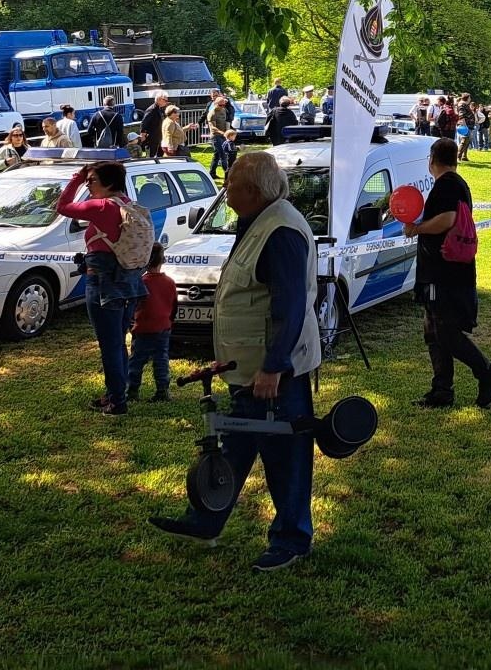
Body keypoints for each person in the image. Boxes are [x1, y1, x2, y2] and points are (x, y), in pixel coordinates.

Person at [149, 152, 323, 571]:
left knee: (285, 456)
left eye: (231, 187)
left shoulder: (281, 231)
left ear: (254, 191)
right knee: (236, 444)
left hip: (274, 372)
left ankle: (292, 540)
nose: (225, 193)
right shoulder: (259, 220)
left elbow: (290, 306)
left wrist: (274, 366)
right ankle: (206, 520)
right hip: (247, 367)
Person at [404, 138, 491, 408]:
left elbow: (447, 219)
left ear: (431, 160)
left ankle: (487, 372)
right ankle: (442, 390)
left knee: (444, 331)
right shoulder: (458, 184)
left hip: (443, 272)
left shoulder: (446, 185)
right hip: (445, 271)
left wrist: (417, 229)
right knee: (433, 330)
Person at [56, 161, 151, 415]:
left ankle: (117, 401)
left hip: (102, 284)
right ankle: (117, 392)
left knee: (109, 344)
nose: (88, 185)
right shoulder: (127, 204)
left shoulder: (101, 207)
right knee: (118, 341)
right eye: (87, 180)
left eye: (92, 180)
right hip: (129, 282)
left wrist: (76, 179)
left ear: (108, 183)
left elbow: (62, 206)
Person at [127, 243, 176, 402]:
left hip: (143, 328)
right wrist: (169, 321)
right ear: (163, 260)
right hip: (163, 327)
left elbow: (132, 305)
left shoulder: (141, 282)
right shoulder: (170, 282)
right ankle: (162, 391)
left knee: (136, 361)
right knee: (161, 359)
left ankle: (132, 391)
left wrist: (131, 323)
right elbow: (174, 306)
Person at [206, 91, 238, 180]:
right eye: (220, 105)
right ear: (215, 104)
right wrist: (222, 133)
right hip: (216, 136)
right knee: (223, 154)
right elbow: (212, 127)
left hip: (224, 135)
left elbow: (227, 121)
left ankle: (212, 173)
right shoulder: (212, 113)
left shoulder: (224, 110)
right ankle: (228, 175)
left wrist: (228, 130)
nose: (222, 107)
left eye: (224, 105)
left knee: (217, 155)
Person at [139, 91, 168, 157]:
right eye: (165, 100)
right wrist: (143, 134)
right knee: (152, 155)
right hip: (152, 138)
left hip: (159, 136)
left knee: (160, 154)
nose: (166, 102)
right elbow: (144, 122)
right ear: (159, 99)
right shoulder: (152, 109)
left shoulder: (160, 109)